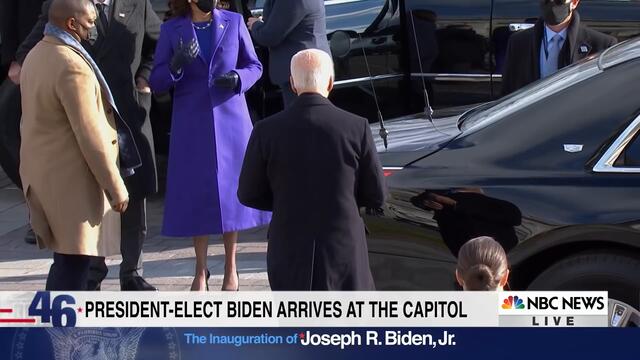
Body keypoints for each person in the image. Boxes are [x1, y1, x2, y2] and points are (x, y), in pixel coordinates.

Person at [15, 0, 162, 291]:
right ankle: (64, 325)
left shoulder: (39, 54)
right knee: (75, 260)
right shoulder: (70, 59)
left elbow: (157, 43)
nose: (92, 29)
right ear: (72, 23)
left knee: (70, 260)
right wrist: (115, 186)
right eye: (88, 24)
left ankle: (130, 272)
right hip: (77, 159)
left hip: (123, 118)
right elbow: (88, 134)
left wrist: (145, 77)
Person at [238, 49, 386, 290]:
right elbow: (377, 194)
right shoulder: (356, 127)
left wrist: (284, 200)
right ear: (330, 82)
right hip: (343, 243)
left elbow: (247, 193)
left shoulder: (266, 130)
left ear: (293, 84)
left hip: (289, 244)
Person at [149, 0, 269, 291]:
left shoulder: (234, 21)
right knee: (197, 193)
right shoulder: (171, 29)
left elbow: (254, 65)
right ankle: (200, 270)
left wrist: (238, 78)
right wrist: (175, 65)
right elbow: (156, 81)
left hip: (230, 118)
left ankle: (231, 268)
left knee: (231, 194)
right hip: (191, 122)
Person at [0, 0, 46, 244]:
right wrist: (12, 59)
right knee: (11, 130)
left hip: (69, 51)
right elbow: (9, 12)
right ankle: (37, 207)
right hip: (25, 57)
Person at [501, 0, 617, 95]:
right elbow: (507, 94)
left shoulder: (602, 45)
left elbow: (606, 96)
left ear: (574, 3)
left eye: (558, 1)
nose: (551, 2)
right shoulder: (518, 43)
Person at [247, 0, 330, 108]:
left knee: (302, 118)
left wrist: (255, 25)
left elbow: (270, 36)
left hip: (302, 70)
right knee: (313, 116)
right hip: (310, 67)